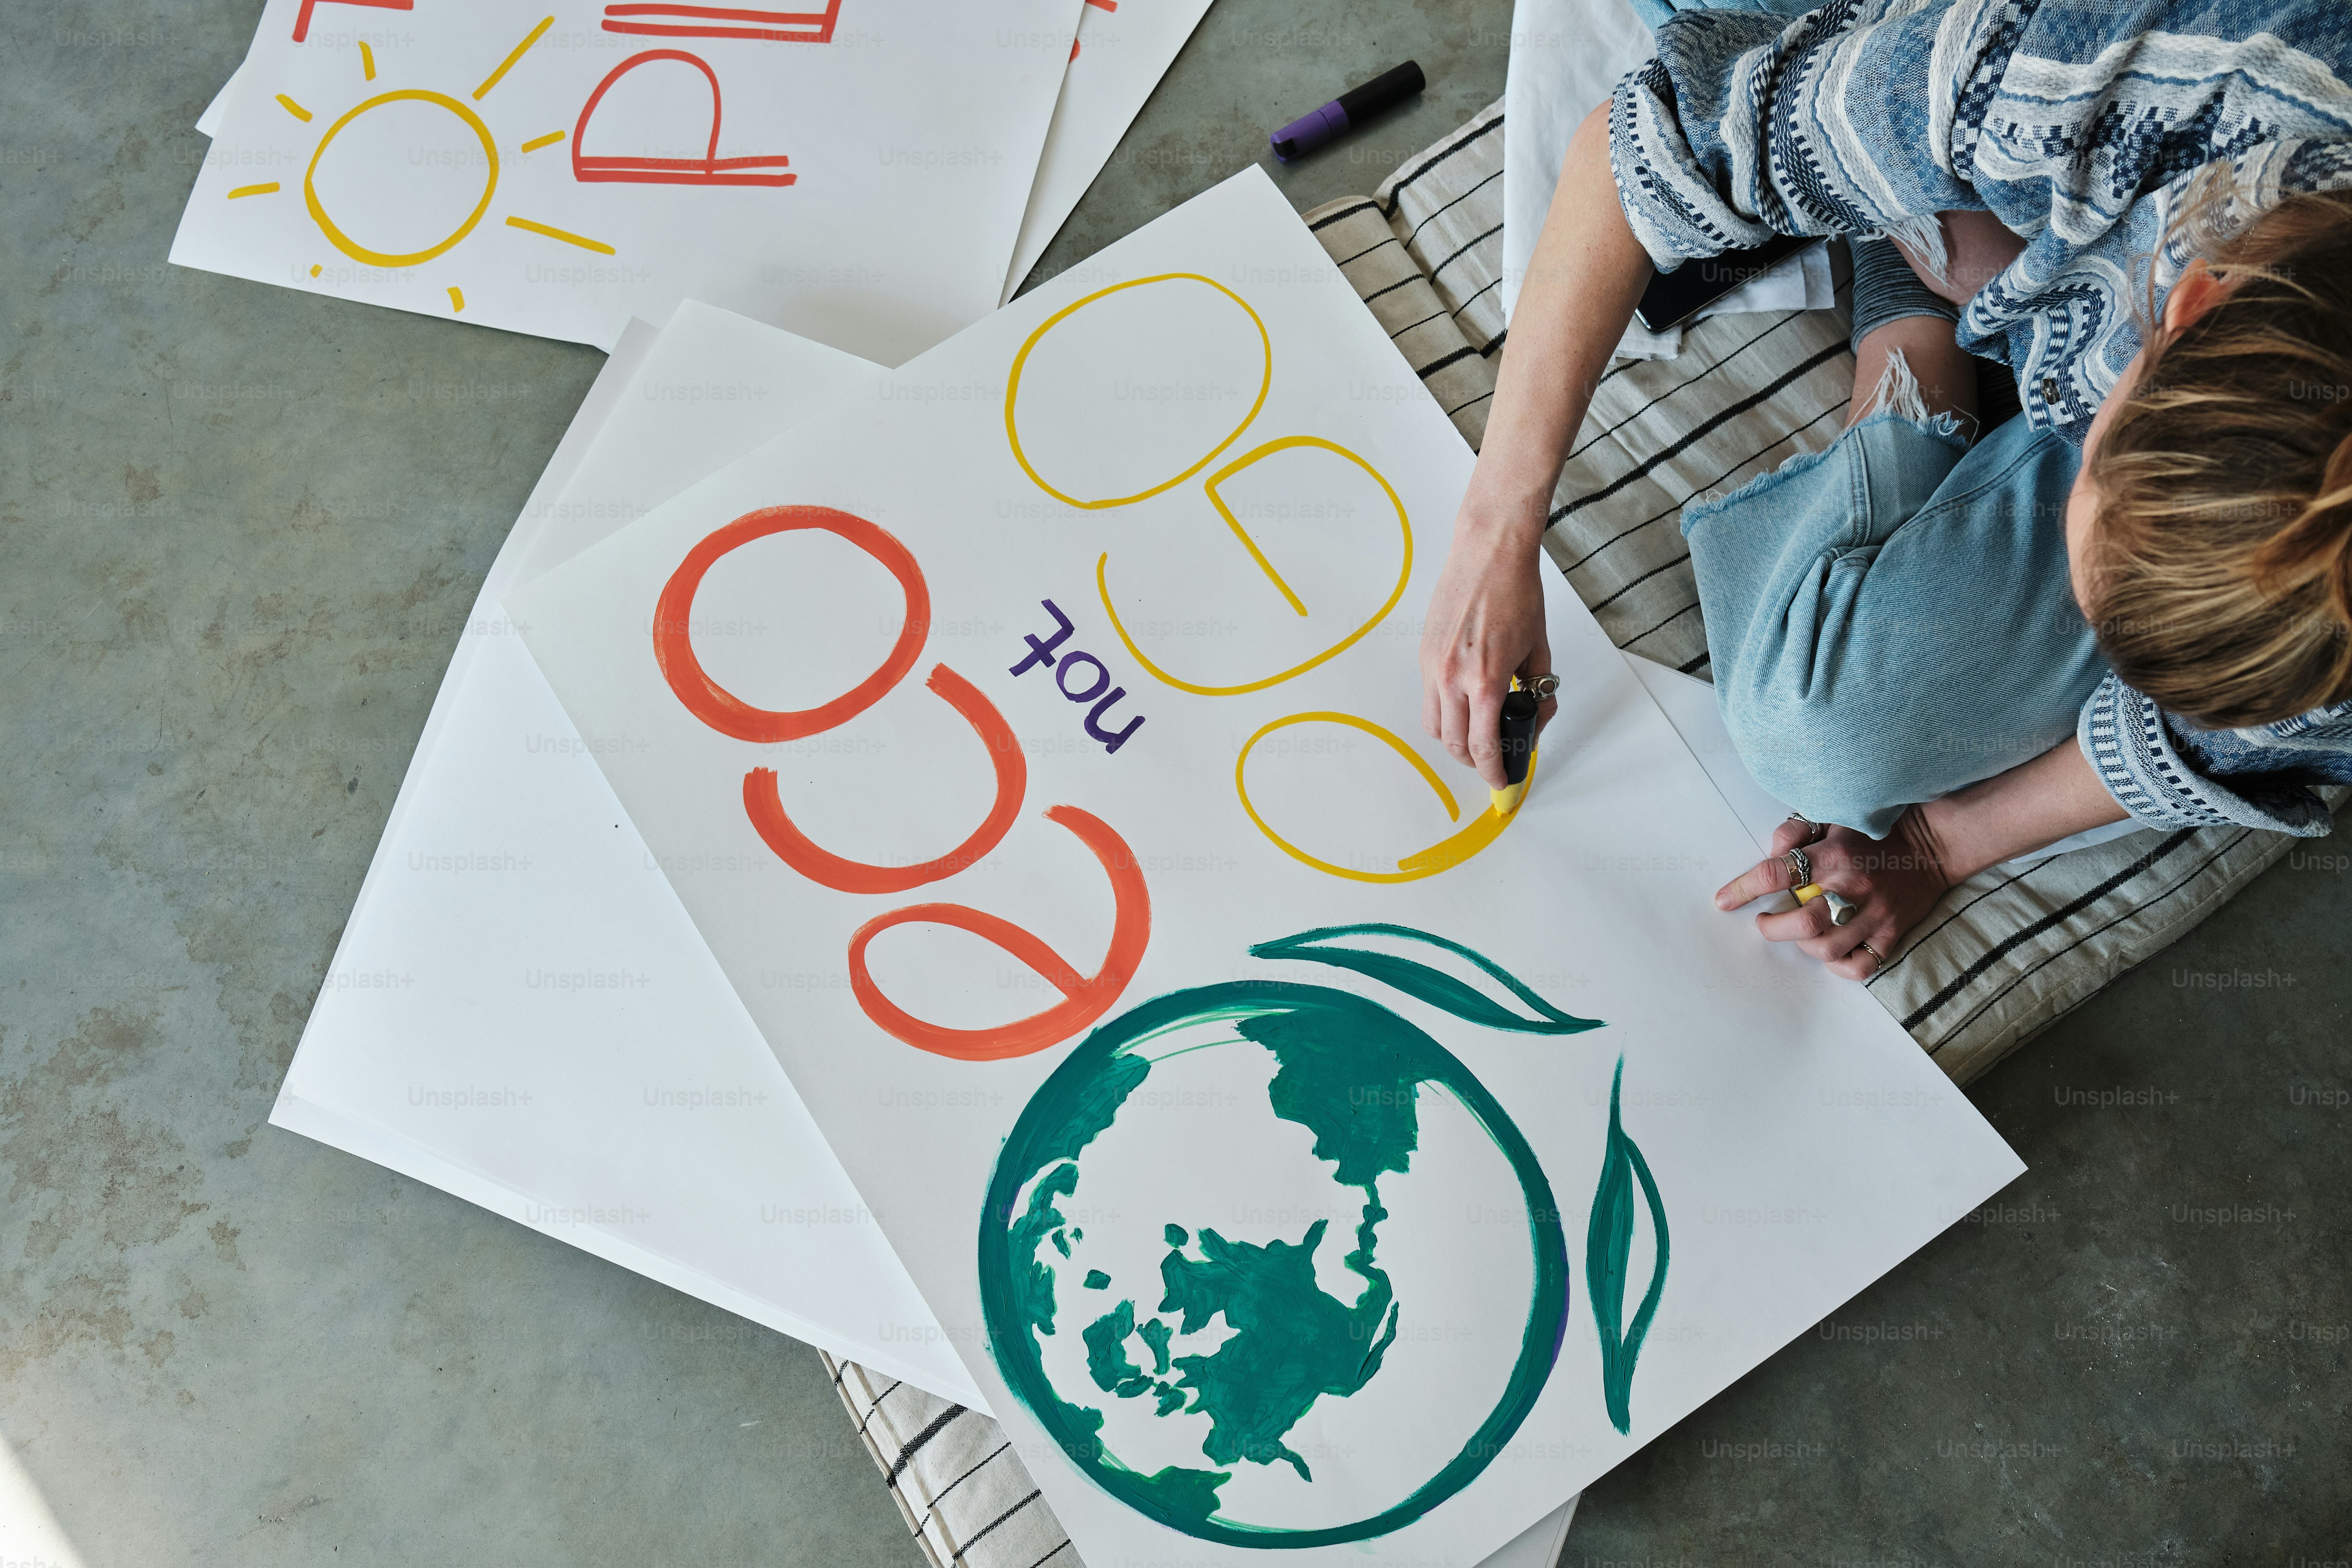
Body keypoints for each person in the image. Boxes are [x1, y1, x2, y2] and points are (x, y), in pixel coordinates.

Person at [1421, 0, 2352, 978]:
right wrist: (1496, 529)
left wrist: (1945, 843)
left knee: (1817, 730)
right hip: (2004, 91)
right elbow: (1646, 148)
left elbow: (2261, 731)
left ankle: (1917, 239)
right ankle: (1904, 230)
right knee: (1837, 111)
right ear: (2190, 301)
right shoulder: (2070, 82)